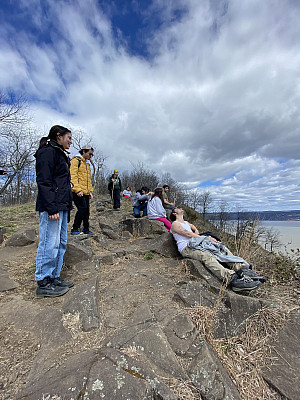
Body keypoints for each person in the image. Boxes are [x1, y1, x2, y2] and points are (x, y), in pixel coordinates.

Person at [170, 208, 266, 293]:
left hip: (197, 243)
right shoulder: (175, 224)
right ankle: (232, 279)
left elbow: (193, 228)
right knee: (207, 256)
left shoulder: (186, 223)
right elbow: (187, 234)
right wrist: (206, 238)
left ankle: (242, 269)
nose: (180, 208)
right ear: (174, 214)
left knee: (221, 248)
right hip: (187, 248)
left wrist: (197, 232)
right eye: (177, 209)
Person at [34, 125, 74, 298]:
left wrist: (66, 207)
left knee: (61, 242)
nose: (71, 141)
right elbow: (44, 181)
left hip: (62, 206)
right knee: (49, 242)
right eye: (69, 138)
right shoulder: (47, 152)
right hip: (52, 207)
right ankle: (43, 281)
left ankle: (54, 277)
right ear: (59, 136)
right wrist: (51, 207)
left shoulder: (61, 154)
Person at [70, 145, 94, 235]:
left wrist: (90, 191)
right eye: (90, 154)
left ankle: (86, 229)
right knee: (82, 209)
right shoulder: (75, 161)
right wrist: (77, 189)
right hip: (78, 191)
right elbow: (73, 176)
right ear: (83, 151)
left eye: (92, 155)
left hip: (86, 192)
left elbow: (88, 179)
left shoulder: (87, 164)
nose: (91, 156)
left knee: (86, 211)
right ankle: (75, 228)